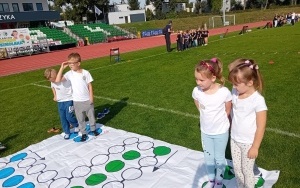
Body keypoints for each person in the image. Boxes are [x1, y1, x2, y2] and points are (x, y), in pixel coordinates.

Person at [192, 58, 232, 188]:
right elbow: (197, 102)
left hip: (221, 132)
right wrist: (203, 113)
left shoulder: (223, 92)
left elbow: (228, 109)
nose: (198, 82)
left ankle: (219, 181)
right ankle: (211, 179)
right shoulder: (197, 91)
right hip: (205, 132)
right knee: (208, 157)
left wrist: (221, 120)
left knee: (219, 158)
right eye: (196, 79)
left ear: (213, 78)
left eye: (201, 80)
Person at [228, 58, 267, 188]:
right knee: (237, 170)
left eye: (236, 84)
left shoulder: (258, 101)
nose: (233, 86)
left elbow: (261, 127)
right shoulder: (235, 92)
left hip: (248, 143)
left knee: (247, 171)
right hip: (234, 139)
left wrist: (255, 146)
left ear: (250, 82)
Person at [56, 52, 99, 142]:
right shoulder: (69, 74)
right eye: (69, 63)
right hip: (77, 101)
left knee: (91, 117)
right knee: (80, 119)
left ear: (78, 63)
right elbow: (58, 80)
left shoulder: (86, 73)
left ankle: (93, 129)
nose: (70, 65)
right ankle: (83, 133)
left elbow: (89, 86)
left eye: (72, 63)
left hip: (87, 100)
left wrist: (91, 98)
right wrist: (62, 67)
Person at [44, 68, 79, 139]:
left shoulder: (64, 79)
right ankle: (67, 132)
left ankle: (76, 125)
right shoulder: (52, 82)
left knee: (69, 116)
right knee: (63, 118)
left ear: (56, 76)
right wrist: (55, 95)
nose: (52, 81)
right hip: (60, 102)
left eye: (52, 80)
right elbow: (53, 87)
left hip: (69, 100)